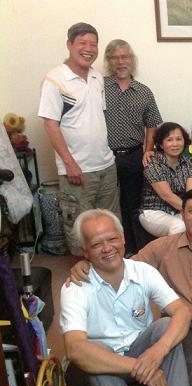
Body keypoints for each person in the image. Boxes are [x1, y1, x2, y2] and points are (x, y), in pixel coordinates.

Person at [69, 187, 192, 386]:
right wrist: (87, 262)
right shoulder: (162, 247)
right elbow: (120, 265)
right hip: (183, 324)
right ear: (182, 214)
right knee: (188, 363)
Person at [60, 209, 192, 386]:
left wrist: (158, 351)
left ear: (123, 239)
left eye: (112, 239)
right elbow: (75, 349)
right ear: (85, 251)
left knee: (165, 326)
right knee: (95, 350)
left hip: (138, 352)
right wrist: (139, 366)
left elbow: (183, 311)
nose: (107, 248)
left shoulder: (143, 272)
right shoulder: (75, 287)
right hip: (88, 374)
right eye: (96, 244)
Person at [38, 22, 120, 255]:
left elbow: (96, 118)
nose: (89, 49)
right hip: (77, 169)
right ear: (69, 44)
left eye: (93, 44)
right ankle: (82, 272)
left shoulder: (97, 77)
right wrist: (70, 163)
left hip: (106, 165)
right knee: (79, 226)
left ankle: (110, 269)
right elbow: (50, 125)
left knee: (110, 222)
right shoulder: (55, 80)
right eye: (82, 43)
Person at [103, 39, 163, 254]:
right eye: (115, 58)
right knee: (107, 206)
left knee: (131, 205)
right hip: (103, 156)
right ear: (109, 61)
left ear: (131, 59)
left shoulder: (144, 92)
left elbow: (152, 124)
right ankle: (108, 249)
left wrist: (148, 150)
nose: (120, 62)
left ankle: (132, 249)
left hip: (133, 155)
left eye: (124, 57)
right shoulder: (98, 88)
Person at [139, 122, 192, 237]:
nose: (175, 144)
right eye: (169, 140)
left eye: (179, 139)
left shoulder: (188, 162)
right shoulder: (153, 163)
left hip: (179, 210)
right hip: (154, 212)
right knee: (180, 226)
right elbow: (167, 195)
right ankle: (171, 250)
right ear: (161, 144)